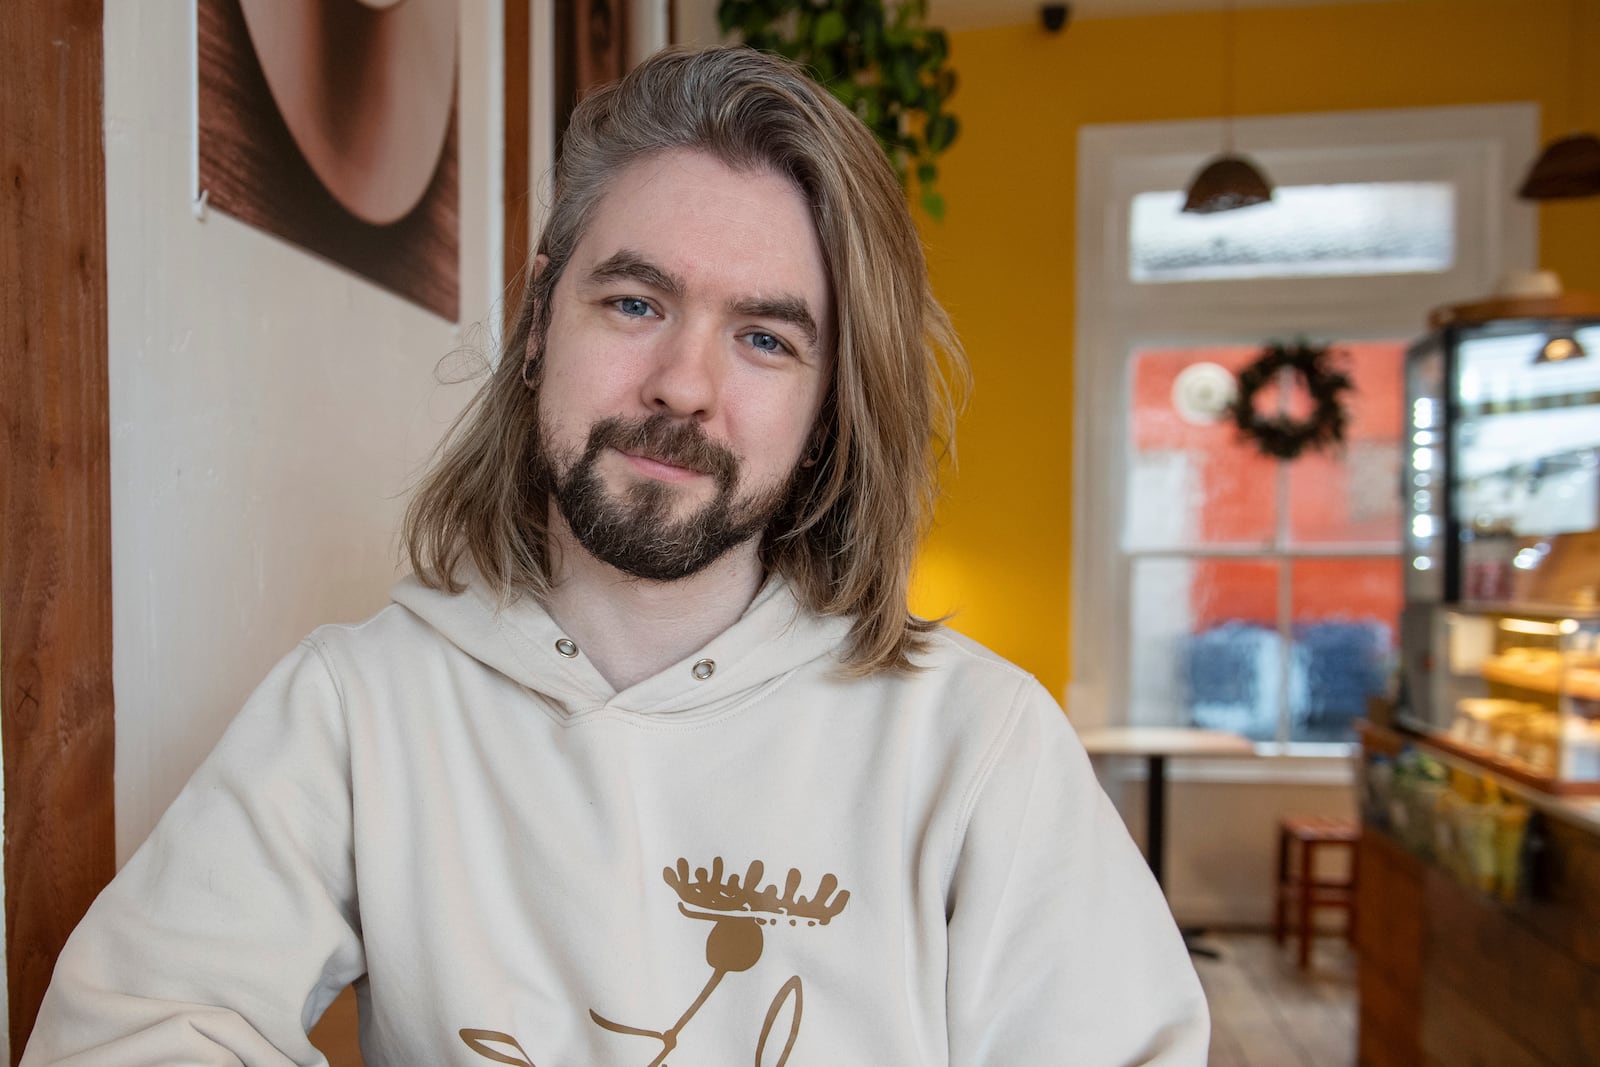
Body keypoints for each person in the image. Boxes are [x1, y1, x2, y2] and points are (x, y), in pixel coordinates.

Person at [24, 46, 1207, 1066]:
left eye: (763, 336)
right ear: (542, 320)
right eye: (636, 302)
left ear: (831, 403)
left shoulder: (976, 749)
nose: (682, 385)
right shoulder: (362, 705)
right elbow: (132, 1028)